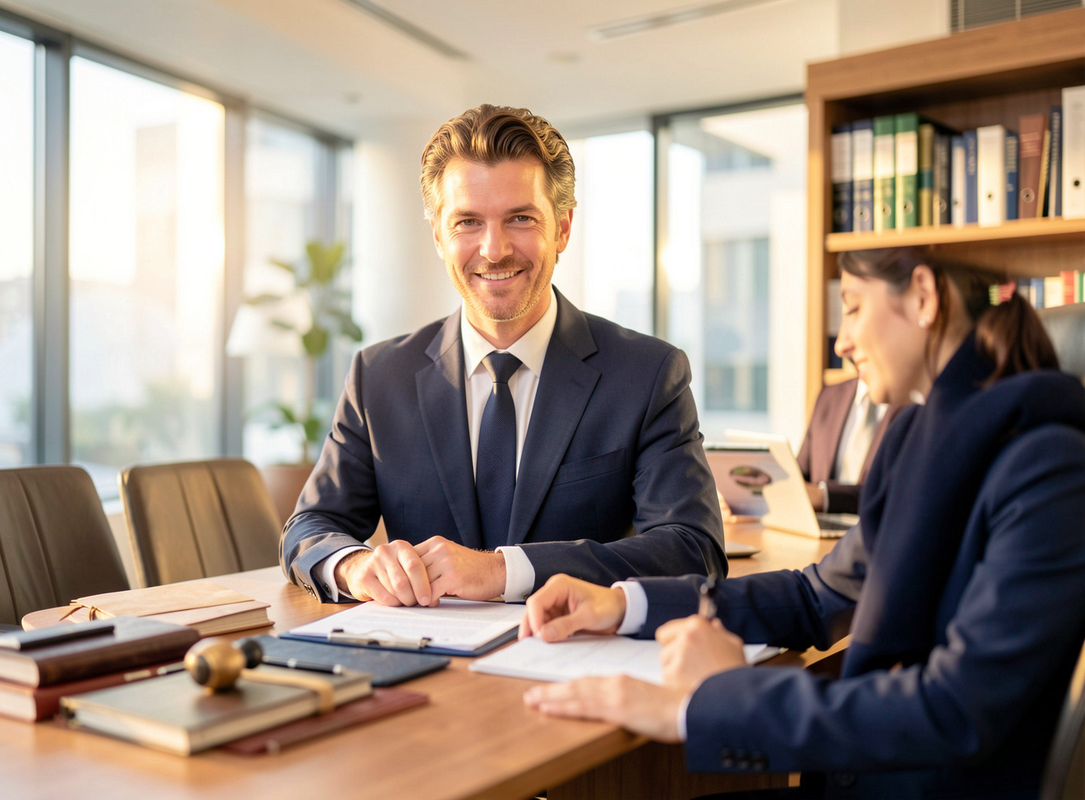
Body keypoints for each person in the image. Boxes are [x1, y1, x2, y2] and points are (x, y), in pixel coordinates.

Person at [521, 247, 1085, 799]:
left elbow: (956, 710)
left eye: (856, 307)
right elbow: (819, 596)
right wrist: (625, 604)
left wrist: (717, 697)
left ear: (922, 296)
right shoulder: (921, 442)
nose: (842, 341)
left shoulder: (1048, 467)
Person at [281, 104, 724, 608]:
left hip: (575, 664)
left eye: (519, 218)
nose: (493, 250)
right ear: (439, 236)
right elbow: (310, 527)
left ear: (561, 228)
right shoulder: (379, 377)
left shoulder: (647, 376)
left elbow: (692, 549)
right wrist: (355, 564)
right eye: (467, 221)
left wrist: (502, 570)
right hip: (423, 668)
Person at [797, 376, 898, 514]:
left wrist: (825, 496)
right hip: (816, 531)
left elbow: (900, 493)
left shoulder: (916, 400)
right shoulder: (829, 396)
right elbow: (801, 473)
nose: (840, 352)